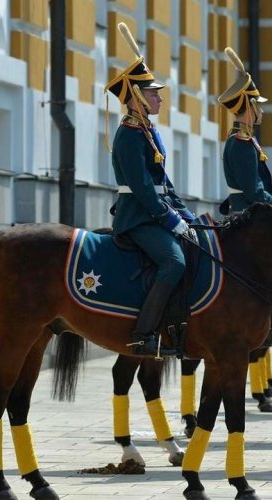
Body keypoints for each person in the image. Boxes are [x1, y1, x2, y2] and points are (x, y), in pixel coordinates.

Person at [105, 27, 194, 356]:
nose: (159, 98)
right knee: (174, 263)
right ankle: (143, 334)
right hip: (138, 217)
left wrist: (186, 213)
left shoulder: (147, 131)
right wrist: (167, 218)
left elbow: (162, 181)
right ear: (137, 97)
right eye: (154, 94)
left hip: (154, 211)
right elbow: (142, 187)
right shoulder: (128, 134)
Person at [218, 47, 272, 215]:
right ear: (251, 106)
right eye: (258, 105)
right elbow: (254, 191)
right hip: (249, 217)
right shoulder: (241, 143)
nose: (262, 111)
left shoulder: (244, 139)